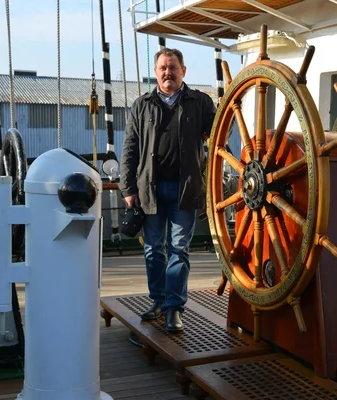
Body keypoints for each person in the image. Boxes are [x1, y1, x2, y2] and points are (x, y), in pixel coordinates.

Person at [119, 48, 216, 333]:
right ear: (155, 71)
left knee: (179, 250)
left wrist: (227, 109)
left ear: (183, 71)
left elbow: (220, 131)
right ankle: (158, 301)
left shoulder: (200, 103)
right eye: (162, 67)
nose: (167, 73)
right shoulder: (141, 105)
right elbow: (130, 149)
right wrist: (127, 188)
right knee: (152, 250)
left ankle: (174, 308)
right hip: (148, 189)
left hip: (184, 190)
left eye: (173, 67)